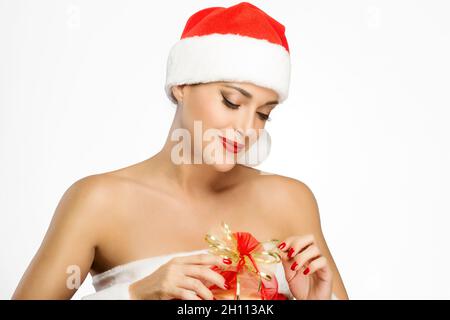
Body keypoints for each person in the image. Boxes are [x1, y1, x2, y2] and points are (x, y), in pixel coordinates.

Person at [12, 2, 348, 300]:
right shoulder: (99, 201)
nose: (248, 129)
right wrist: (135, 295)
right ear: (182, 86)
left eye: (264, 114)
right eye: (231, 101)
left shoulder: (289, 200)